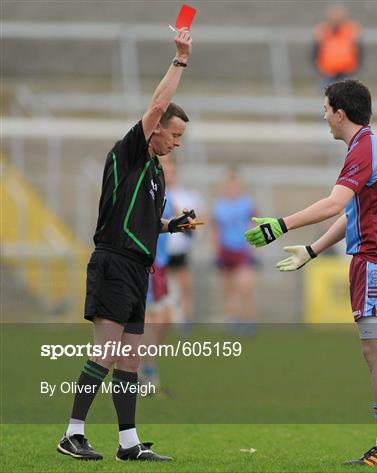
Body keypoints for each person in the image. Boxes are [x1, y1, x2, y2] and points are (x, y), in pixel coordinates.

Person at [245, 80, 377, 466]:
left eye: (325, 108)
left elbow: (333, 203)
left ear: (340, 112)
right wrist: (312, 249)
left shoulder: (364, 148)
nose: (323, 115)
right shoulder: (374, 147)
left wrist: (281, 224)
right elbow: (351, 213)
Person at [57, 28, 197, 462]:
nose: (176, 141)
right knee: (108, 352)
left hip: (137, 269)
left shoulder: (154, 170)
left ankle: (128, 443)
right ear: (154, 130)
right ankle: (72, 433)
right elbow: (157, 104)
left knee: (131, 361)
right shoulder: (129, 152)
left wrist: (171, 226)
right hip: (113, 264)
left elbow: (140, 220)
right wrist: (180, 59)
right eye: (173, 133)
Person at [162, 154, 205, 326]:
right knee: (161, 290)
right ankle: (165, 320)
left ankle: (185, 321)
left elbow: (198, 223)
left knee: (184, 286)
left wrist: (186, 226)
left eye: (169, 165)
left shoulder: (187, 195)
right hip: (159, 251)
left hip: (180, 250)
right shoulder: (153, 193)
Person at [139, 190, 174, 394]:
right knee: (151, 319)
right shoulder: (147, 189)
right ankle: (147, 373)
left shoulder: (167, 194)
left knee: (165, 319)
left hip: (161, 265)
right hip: (148, 262)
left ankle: (142, 367)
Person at [213, 169, 257, 328]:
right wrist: (216, 250)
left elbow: (253, 223)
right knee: (229, 289)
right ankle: (233, 320)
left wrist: (253, 248)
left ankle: (248, 320)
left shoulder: (246, 203)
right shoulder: (219, 205)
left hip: (241, 249)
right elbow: (216, 229)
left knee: (245, 287)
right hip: (225, 250)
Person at [313, 4, 362, 86]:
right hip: (328, 72)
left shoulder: (351, 30)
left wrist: (355, 68)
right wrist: (318, 67)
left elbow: (359, 49)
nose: (336, 19)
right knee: (328, 95)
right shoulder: (323, 30)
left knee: (348, 97)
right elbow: (315, 50)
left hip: (347, 72)